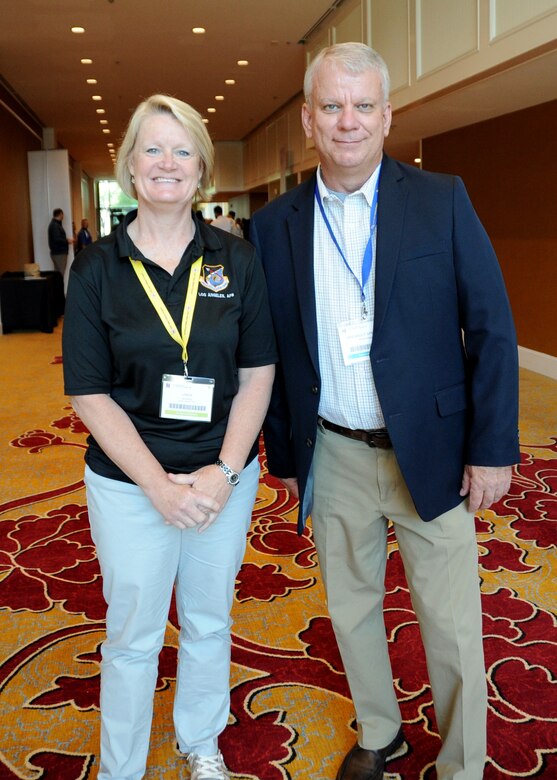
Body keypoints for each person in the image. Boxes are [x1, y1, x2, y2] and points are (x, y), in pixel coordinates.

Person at [250, 42, 519, 780]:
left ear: (386, 116)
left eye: (362, 105)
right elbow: (272, 354)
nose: (347, 121)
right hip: (332, 449)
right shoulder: (274, 226)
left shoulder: (440, 198)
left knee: (452, 621)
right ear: (307, 120)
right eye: (331, 106)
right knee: (351, 608)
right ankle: (382, 732)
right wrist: (289, 460)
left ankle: (463, 762)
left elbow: (491, 325)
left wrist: (492, 447)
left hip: (432, 447)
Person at [62, 94, 277, 780]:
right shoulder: (97, 268)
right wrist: (156, 486)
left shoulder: (234, 261)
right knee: (132, 635)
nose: (167, 163)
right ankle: (122, 767)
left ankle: (200, 742)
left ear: (202, 170)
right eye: (152, 148)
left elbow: (258, 371)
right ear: (129, 166)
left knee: (209, 620)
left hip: (223, 479)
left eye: (183, 150)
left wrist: (223, 469)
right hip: (130, 487)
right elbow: (88, 393)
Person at [48, 208, 73, 275]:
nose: (63, 216)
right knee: (60, 274)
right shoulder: (55, 225)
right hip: (59, 253)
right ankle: (59, 286)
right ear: (60, 214)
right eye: (62, 214)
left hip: (57, 252)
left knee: (58, 274)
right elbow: (57, 239)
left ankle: (57, 285)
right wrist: (67, 241)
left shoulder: (55, 225)